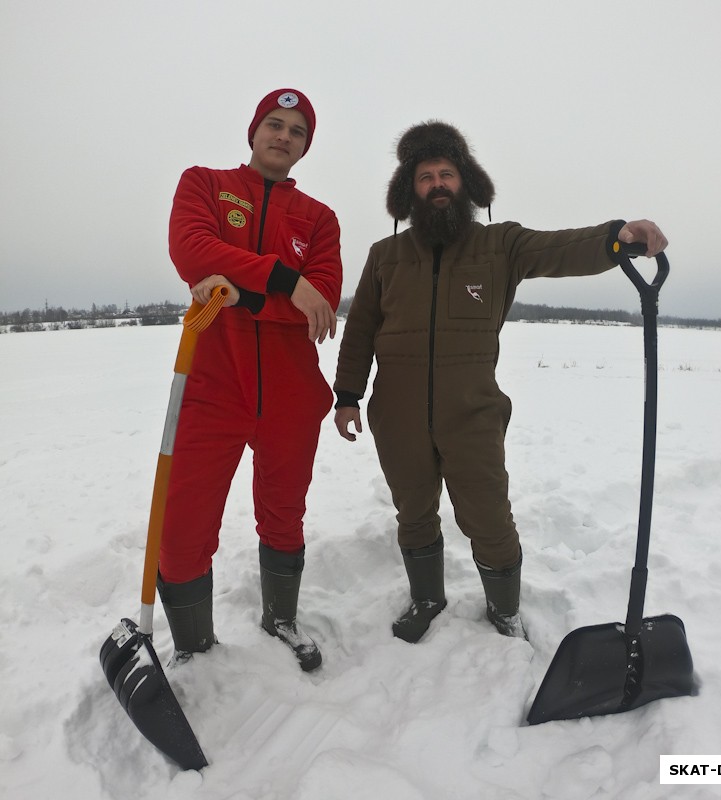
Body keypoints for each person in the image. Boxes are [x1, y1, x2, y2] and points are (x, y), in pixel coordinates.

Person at [333, 120, 667, 644]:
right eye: (425, 177)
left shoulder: (501, 245)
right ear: (409, 189)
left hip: (472, 411)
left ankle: (504, 609)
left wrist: (615, 238)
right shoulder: (385, 256)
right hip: (396, 413)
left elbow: (561, 248)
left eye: (446, 173)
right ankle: (427, 597)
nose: (437, 184)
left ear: (466, 183)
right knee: (413, 512)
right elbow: (360, 330)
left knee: (488, 514)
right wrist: (348, 395)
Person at [159, 88, 342, 672]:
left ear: (305, 146)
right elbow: (192, 252)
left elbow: (324, 304)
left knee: (284, 513)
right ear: (254, 130)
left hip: (291, 394)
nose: (283, 136)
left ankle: (280, 617)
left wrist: (243, 293)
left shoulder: (320, 219)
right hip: (213, 386)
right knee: (183, 522)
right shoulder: (204, 185)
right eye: (274, 123)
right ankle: (193, 645)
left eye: (297, 130)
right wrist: (287, 281)